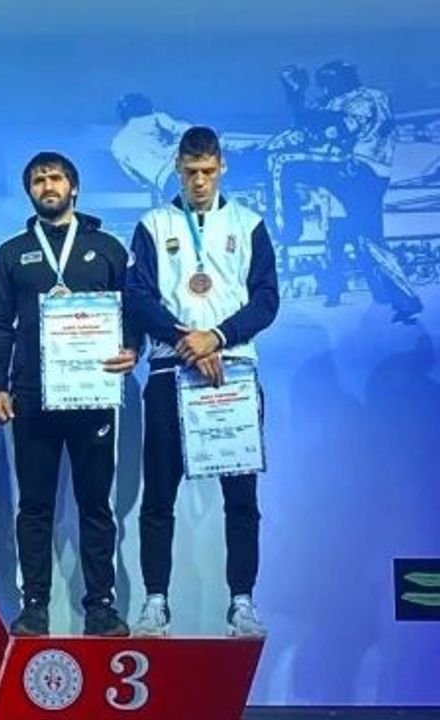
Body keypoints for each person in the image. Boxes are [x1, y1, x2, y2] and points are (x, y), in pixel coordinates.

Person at [125, 127, 279, 638]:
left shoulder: (248, 224)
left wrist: (216, 337)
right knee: (158, 496)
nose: (198, 181)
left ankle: (242, 604)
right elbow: (138, 298)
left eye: (208, 171)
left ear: (222, 167)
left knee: (241, 498)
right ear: (177, 167)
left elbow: (266, 299)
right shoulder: (153, 224)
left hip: (232, 371)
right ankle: (155, 605)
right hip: (170, 370)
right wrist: (186, 340)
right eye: (190, 171)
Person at [0, 152, 136, 637]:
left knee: (96, 505)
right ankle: (34, 607)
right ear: (29, 191)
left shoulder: (107, 248)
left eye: (55, 178)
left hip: (92, 395)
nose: (47, 186)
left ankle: (101, 607)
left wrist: (132, 347)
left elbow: (133, 309)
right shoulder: (12, 253)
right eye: (37, 180)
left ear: (74, 186)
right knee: (34, 506)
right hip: (32, 397)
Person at [273, 60, 421, 322]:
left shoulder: (370, 98)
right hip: (358, 174)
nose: (326, 89)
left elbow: (338, 125)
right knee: (368, 237)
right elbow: (310, 123)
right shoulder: (338, 101)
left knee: (284, 164)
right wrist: (296, 96)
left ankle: (289, 229)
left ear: (343, 78)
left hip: (358, 169)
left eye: (329, 82)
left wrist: (298, 94)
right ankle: (406, 299)